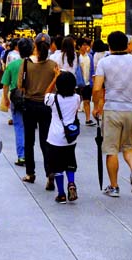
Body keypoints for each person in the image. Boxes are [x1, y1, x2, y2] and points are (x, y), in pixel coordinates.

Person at [93, 31, 132, 198]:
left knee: (111, 150)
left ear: (109, 45)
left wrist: (97, 106)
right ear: (127, 44)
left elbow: (97, 88)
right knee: (129, 147)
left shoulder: (104, 62)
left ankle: (114, 186)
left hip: (112, 109)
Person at [18, 33, 57, 189]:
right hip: (46, 106)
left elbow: (21, 84)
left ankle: (30, 172)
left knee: (29, 140)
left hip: (29, 104)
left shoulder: (27, 63)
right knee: (45, 141)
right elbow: (56, 86)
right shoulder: (53, 65)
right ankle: (49, 172)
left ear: (34, 46)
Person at [44, 70, 81, 204]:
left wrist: (55, 78)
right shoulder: (77, 98)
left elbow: (46, 94)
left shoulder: (53, 99)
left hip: (55, 138)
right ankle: (71, 183)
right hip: (70, 138)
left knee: (57, 167)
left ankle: (61, 194)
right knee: (70, 163)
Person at [2, 38, 34, 167]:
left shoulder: (12, 65)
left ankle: (21, 156)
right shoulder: (34, 64)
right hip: (31, 99)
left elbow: (5, 84)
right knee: (29, 128)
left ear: (18, 50)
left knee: (19, 127)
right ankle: (29, 153)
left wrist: (5, 98)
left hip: (16, 98)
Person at [77, 38, 95, 126]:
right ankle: (75, 118)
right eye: (83, 45)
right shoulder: (77, 57)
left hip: (87, 82)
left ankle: (88, 119)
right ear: (79, 46)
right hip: (78, 82)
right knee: (76, 102)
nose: (85, 47)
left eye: (86, 45)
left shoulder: (90, 56)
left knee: (87, 101)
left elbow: (92, 70)